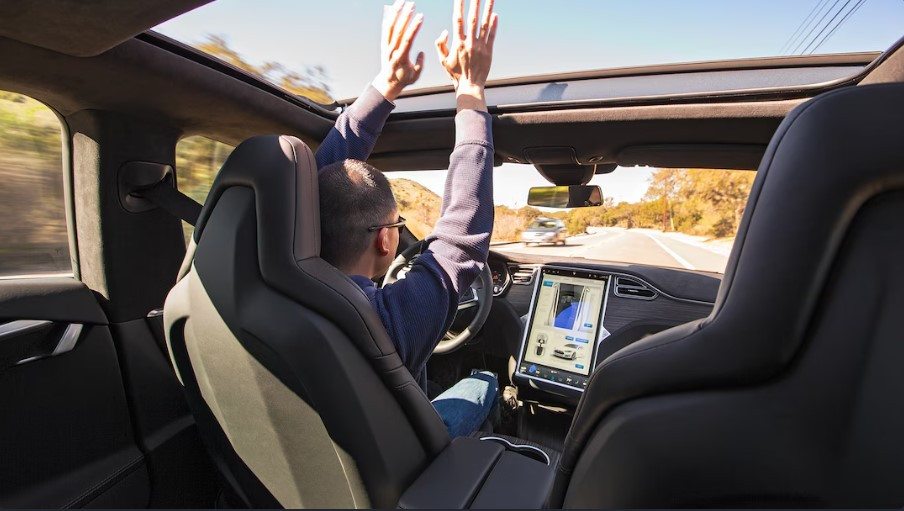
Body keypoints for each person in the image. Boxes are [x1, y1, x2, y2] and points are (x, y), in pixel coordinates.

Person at [314, 0, 500, 438]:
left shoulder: (269, 278)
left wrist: (387, 84)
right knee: (485, 382)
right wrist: (469, 85)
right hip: (407, 468)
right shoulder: (389, 322)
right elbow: (461, 239)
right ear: (385, 241)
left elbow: (459, 234)